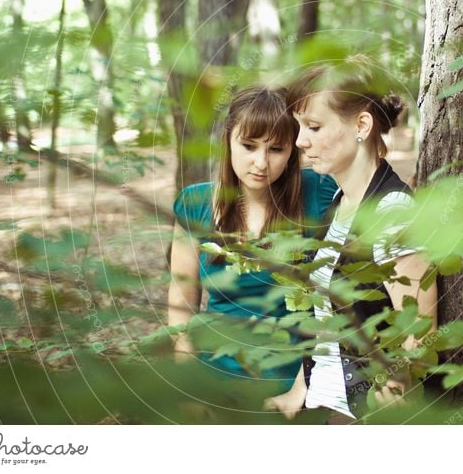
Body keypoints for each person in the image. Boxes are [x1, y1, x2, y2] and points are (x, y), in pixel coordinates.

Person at [265, 60, 438, 420]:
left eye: (313, 126)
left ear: (361, 125)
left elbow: (422, 329)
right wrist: (300, 389)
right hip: (328, 403)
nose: (300, 141)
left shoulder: (391, 210)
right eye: (300, 127)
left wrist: (393, 391)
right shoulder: (338, 204)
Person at [168, 86, 337, 397]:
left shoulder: (321, 193)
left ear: (292, 150)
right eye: (249, 146)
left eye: (275, 149)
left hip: (297, 378)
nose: (261, 162)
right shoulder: (196, 204)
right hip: (214, 370)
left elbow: (345, 301)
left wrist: (306, 387)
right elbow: (181, 305)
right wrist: (188, 381)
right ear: (228, 142)